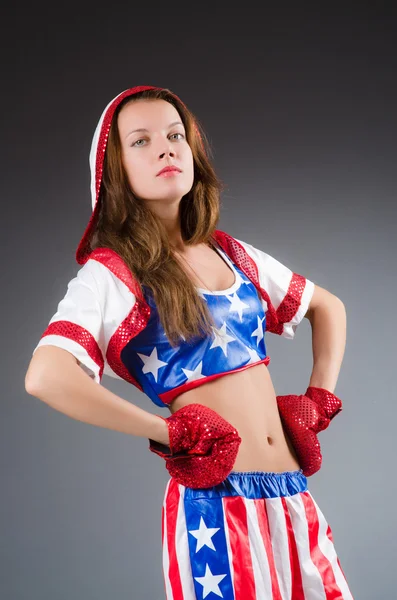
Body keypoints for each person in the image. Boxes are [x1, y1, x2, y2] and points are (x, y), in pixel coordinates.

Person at [25, 85, 354, 599]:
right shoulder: (111, 273)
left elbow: (327, 307)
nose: (166, 147)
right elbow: (45, 375)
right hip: (214, 512)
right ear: (113, 171)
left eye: (175, 135)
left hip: (292, 493)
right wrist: (167, 432)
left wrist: (318, 401)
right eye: (141, 141)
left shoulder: (230, 252)